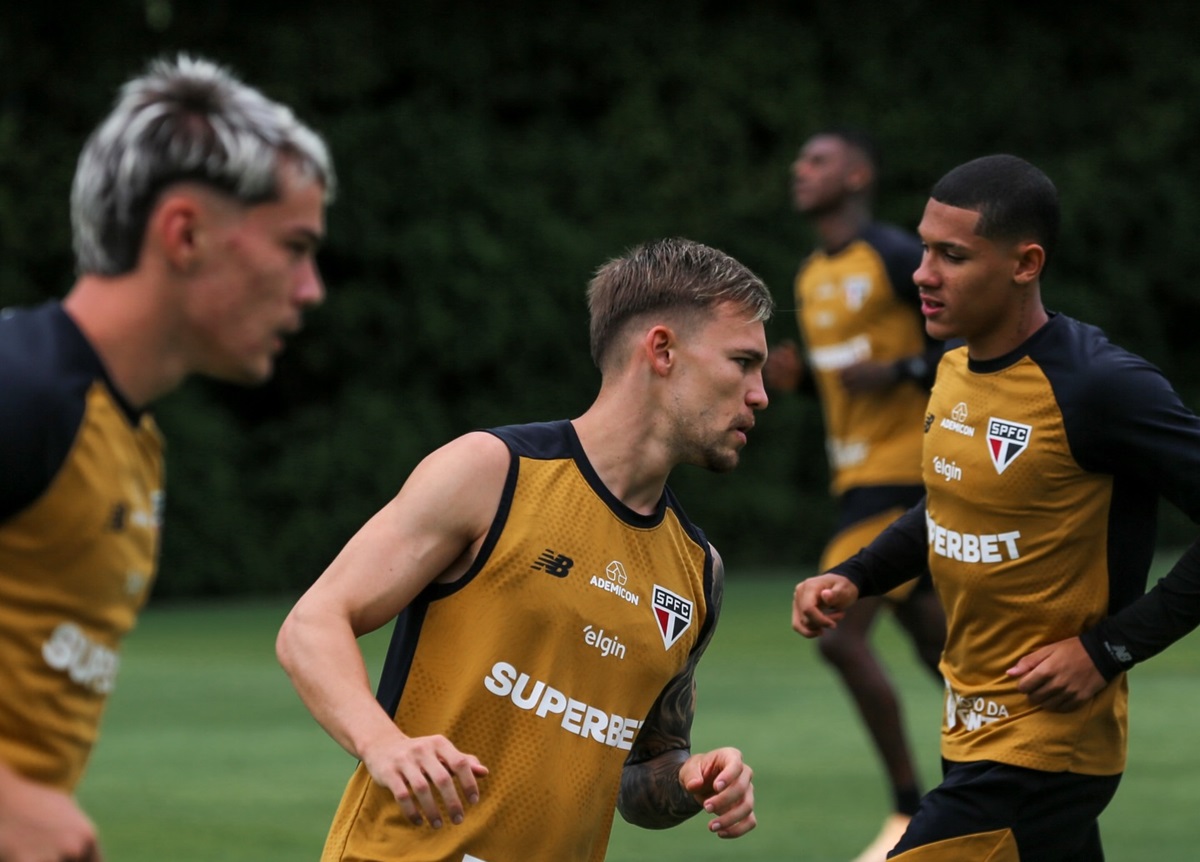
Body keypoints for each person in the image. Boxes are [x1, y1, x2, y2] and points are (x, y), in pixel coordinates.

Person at [276, 237, 765, 861]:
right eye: (742, 362)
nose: (760, 394)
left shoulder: (697, 571)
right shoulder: (493, 473)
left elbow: (642, 776)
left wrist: (693, 779)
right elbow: (312, 625)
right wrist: (385, 744)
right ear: (662, 350)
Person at [792, 153, 1200, 861]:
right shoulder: (954, 366)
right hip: (970, 732)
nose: (922, 273)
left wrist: (1107, 650)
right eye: (924, 248)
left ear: (1025, 263)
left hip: (1042, 751)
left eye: (951, 255)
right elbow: (949, 507)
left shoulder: (1100, 386)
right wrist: (857, 576)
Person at [0, 54, 335, 862]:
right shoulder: (21, 388)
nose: (311, 288)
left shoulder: (126, 436)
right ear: (185, 233)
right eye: (294, 247)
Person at [764, 128, 946, 862]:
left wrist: (903, 371)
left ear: (858, 174)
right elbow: (845, 381)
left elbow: (968, 341)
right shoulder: (810, 274)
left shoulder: (898, 255)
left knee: (838, 633)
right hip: (859, 479)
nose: (798, 170)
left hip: (907, 475)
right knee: (947, 654)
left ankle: (909, 812)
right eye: (799, 160)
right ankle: (1021, 770)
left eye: (817, 160)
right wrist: (800, 382)